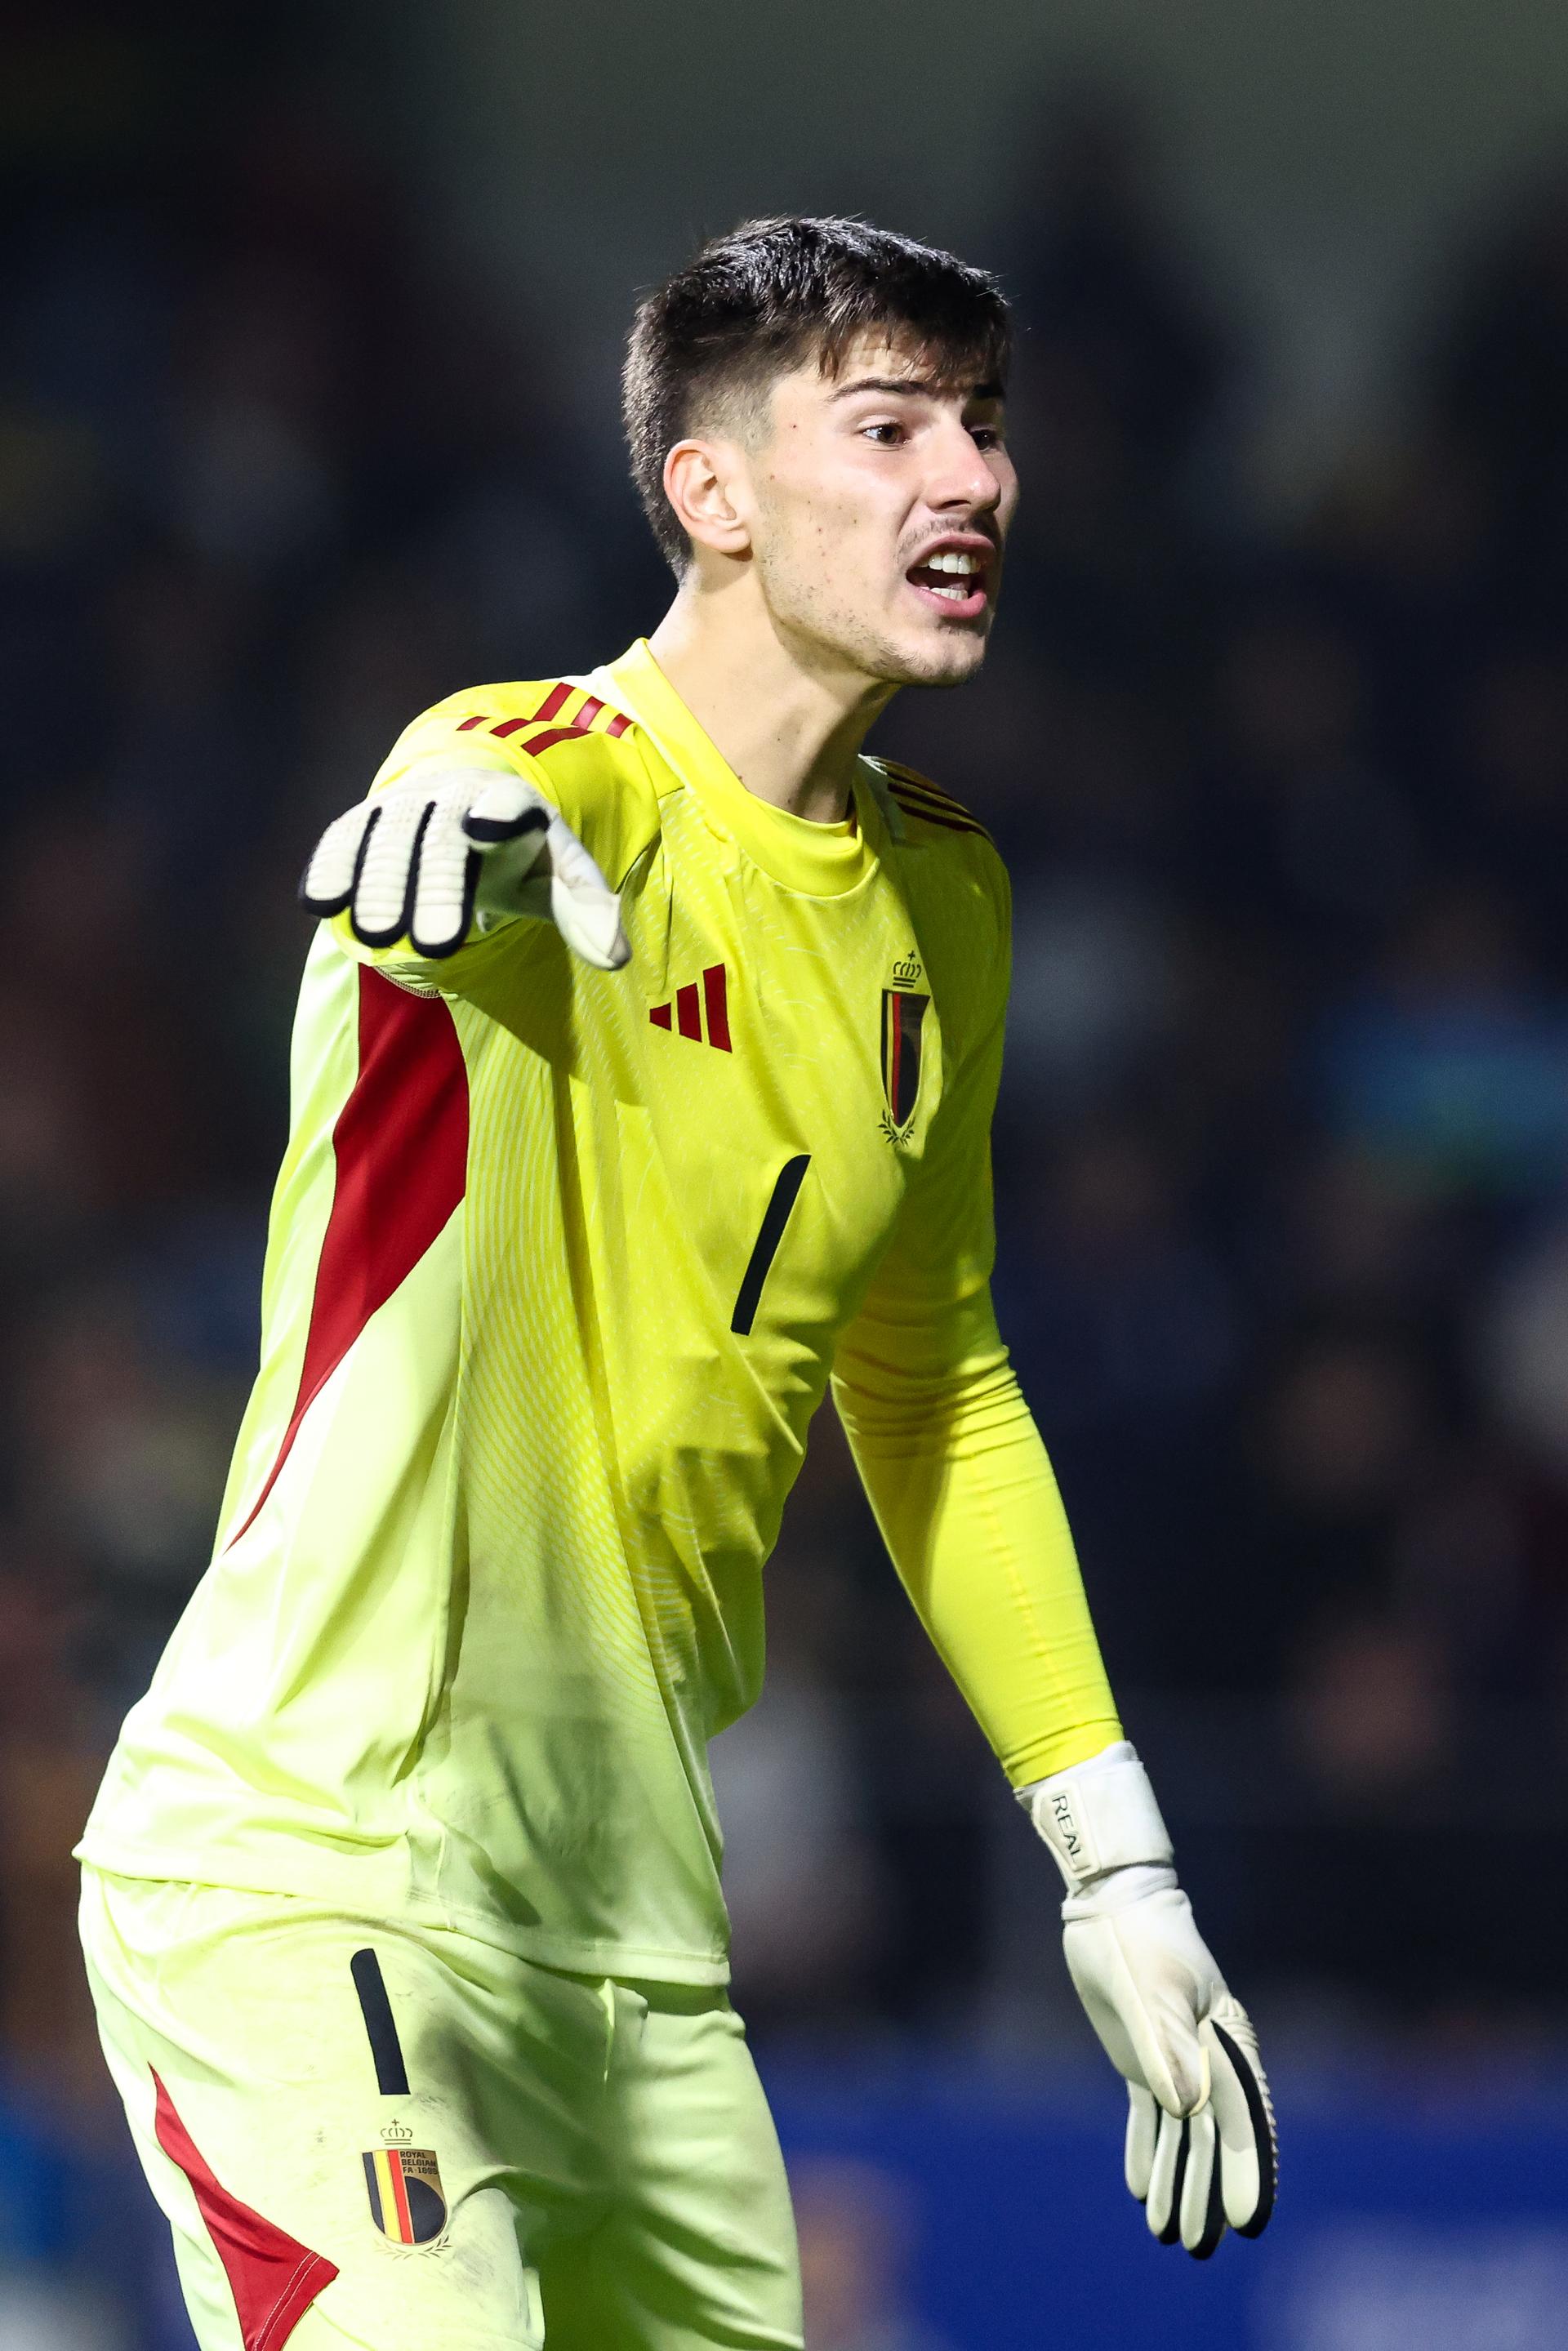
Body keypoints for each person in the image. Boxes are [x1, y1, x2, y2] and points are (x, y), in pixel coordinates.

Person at [76, 216, 1275, 2351]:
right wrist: (448, 811)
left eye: (986, 431)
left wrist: (1122, 1865)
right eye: (891, 426)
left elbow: (935, 1386)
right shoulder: (547, 780)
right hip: (317, 1879)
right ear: (711, 494)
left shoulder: (947, 909)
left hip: (640, 1958)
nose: (972, 483)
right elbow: (483, 795)